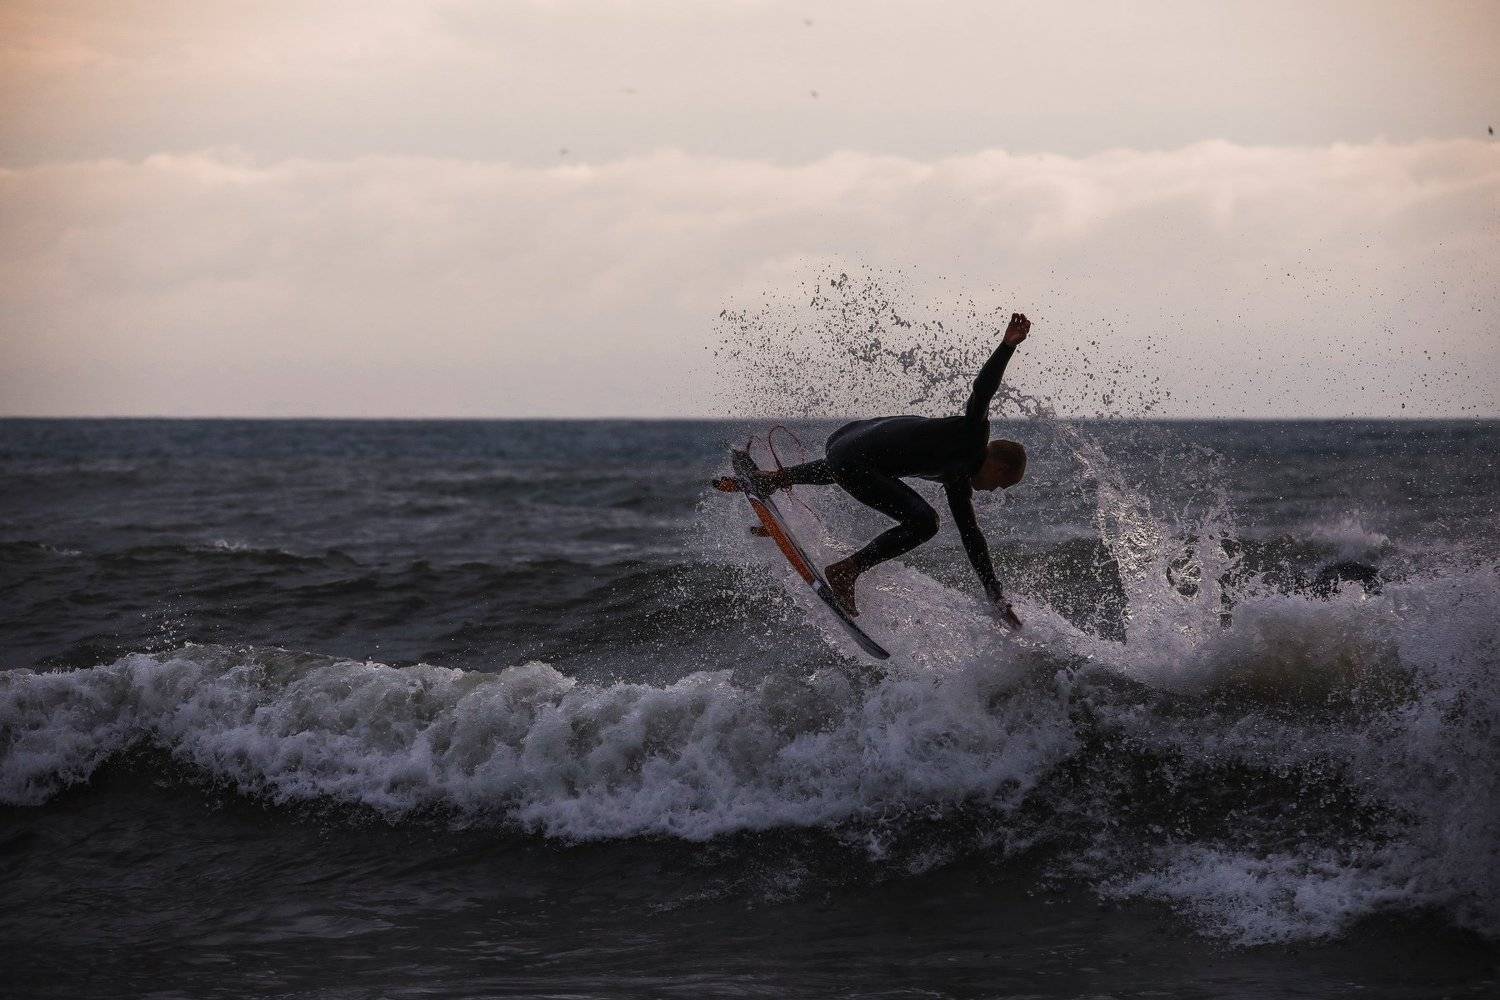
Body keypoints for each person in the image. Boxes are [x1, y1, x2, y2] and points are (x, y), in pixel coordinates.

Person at [716, 313, 1032, 629]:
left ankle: (774, 479)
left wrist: (995, 596)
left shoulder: (957, 478)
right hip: (854, 457)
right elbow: (983, 390)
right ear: (1000, 467)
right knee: (925, 522)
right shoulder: (973, 434)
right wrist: (1006, 347)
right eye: (1002, 484)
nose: (994, 491)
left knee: (863, 466)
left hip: (843, 440)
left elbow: (971, 536)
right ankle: (847, 570)